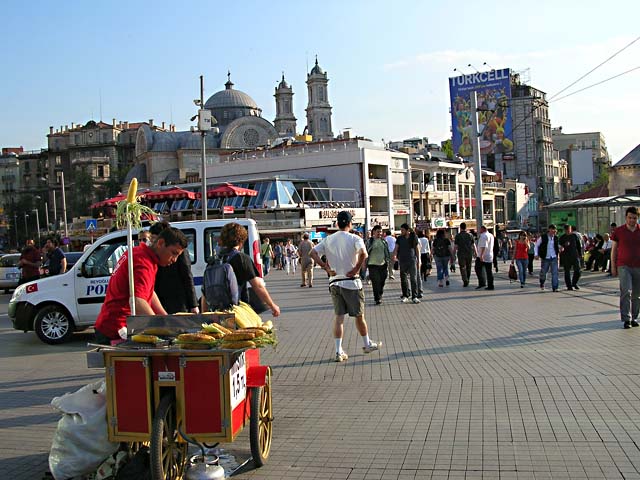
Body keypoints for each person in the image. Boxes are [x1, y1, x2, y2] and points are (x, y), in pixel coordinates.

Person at [94, 227, 188, 344]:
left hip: (112, 323)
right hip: (117, 328)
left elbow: (148, 292)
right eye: (174, 253)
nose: (174, 260)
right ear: (160, 243)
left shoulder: (139, 253)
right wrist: (161, 329)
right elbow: (138, 301)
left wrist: (165, 318)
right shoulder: (143, 262)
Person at [310, 211, 380, 362]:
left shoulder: (328, 239)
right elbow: (363, 254)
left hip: (334, 282)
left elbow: (312, 252)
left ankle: (338, 350)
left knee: (339, 317)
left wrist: (325, 268)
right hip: (352, 282)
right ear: (350, 224)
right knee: (359, 316)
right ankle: (367, 344)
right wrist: (355, 269)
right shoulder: (355, 238)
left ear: (337, 224)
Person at [201, 222, 280, 318]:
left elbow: (205, 293)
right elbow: (257, 286)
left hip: (216, 314)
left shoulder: (213, 261)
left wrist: (204, 314)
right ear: (241, 241)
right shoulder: (241, 258)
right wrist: (272, 305)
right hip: (237, 313)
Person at [151, 221, 199, 315]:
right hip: (161, 299)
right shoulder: (152, 256)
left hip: (177, 300)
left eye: (154, 238)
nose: (153, 242)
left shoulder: (178, 251)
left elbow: (187, 275)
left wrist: (193, 305)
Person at [611, 207, 640, 329]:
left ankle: (634, 317)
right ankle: (626, 319)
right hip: (623, 265)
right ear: (626, 218)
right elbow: (613, 250)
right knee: (626, 291)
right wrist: (613, 266)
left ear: (637, 218)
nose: (632, 220)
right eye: (630, 218)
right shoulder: (619, 231)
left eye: (634, 218)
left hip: (638, 266)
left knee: (637, 294)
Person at [392, 223, 421, 303]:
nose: (401, 231)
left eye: (402, 230)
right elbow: (396, 248)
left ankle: (414, 296)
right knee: (403, 279)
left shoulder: (413, 237)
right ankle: (405, 295)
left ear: (408, 230)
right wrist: (394, 256)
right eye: (401, 230)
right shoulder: (399, 238)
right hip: (402, 260)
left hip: (412, 260)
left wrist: (419, 260)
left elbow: (417, 249)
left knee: (413, 279)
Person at [366, 225, 390, 305]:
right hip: (372, 265)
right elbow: (365, 252)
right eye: (378, 231)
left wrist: (388, 261)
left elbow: (386, 252)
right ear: (374, 232)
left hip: (383, 264)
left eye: (381, 231)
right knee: (375, 282)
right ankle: (377, 298)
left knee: (382, 280)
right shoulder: (370, 241)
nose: (380, 233)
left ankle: (380, 293)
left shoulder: (383, 241)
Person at [535, 224, 560, 292]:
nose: (553, 231)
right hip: (545, 257)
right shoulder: (543, 237)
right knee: (543, 273)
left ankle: (555, 287)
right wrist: (536, 254)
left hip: (554, 257)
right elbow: (536, 245)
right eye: (552, 229)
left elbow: (557, 246)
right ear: (549, 230)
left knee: (555, 273)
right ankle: (542, 282)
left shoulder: (556, 238)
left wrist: (560, 248)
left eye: (554, 230)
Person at [559, 224, 582, 291]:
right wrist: (564, 245)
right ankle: (569, 286)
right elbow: (560, 246)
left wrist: (580, 254)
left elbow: (578, 245)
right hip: (566, 257)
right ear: (565, 230)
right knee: (567, 272)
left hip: (575, 255)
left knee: (578, 270)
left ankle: (574, 283)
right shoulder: (562, 237)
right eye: (567, 230)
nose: (569, 231)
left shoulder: (574, 236)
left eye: (569, 229)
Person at [453, 222, 474, 287]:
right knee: (469, 266)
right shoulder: (470, 235)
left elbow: (456, 246)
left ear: (460, 227)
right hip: (469, 253)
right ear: (466, 227)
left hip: (461, 254)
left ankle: (465, 280)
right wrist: (476, 252)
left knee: (462, 267)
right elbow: (473, 245)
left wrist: (453, 254)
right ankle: (467, 278)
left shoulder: (458, 236)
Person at [477, 225, 495, 290]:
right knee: (489, 271)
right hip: (489, 255)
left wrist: (481, 255)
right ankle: (491, 285)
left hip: (483, 256)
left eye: (480, 229)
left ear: (483, 229)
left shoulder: (483, 236)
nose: (479, 230)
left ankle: (482, 282)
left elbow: (484, 246)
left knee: (477, 268)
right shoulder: (491, 235)